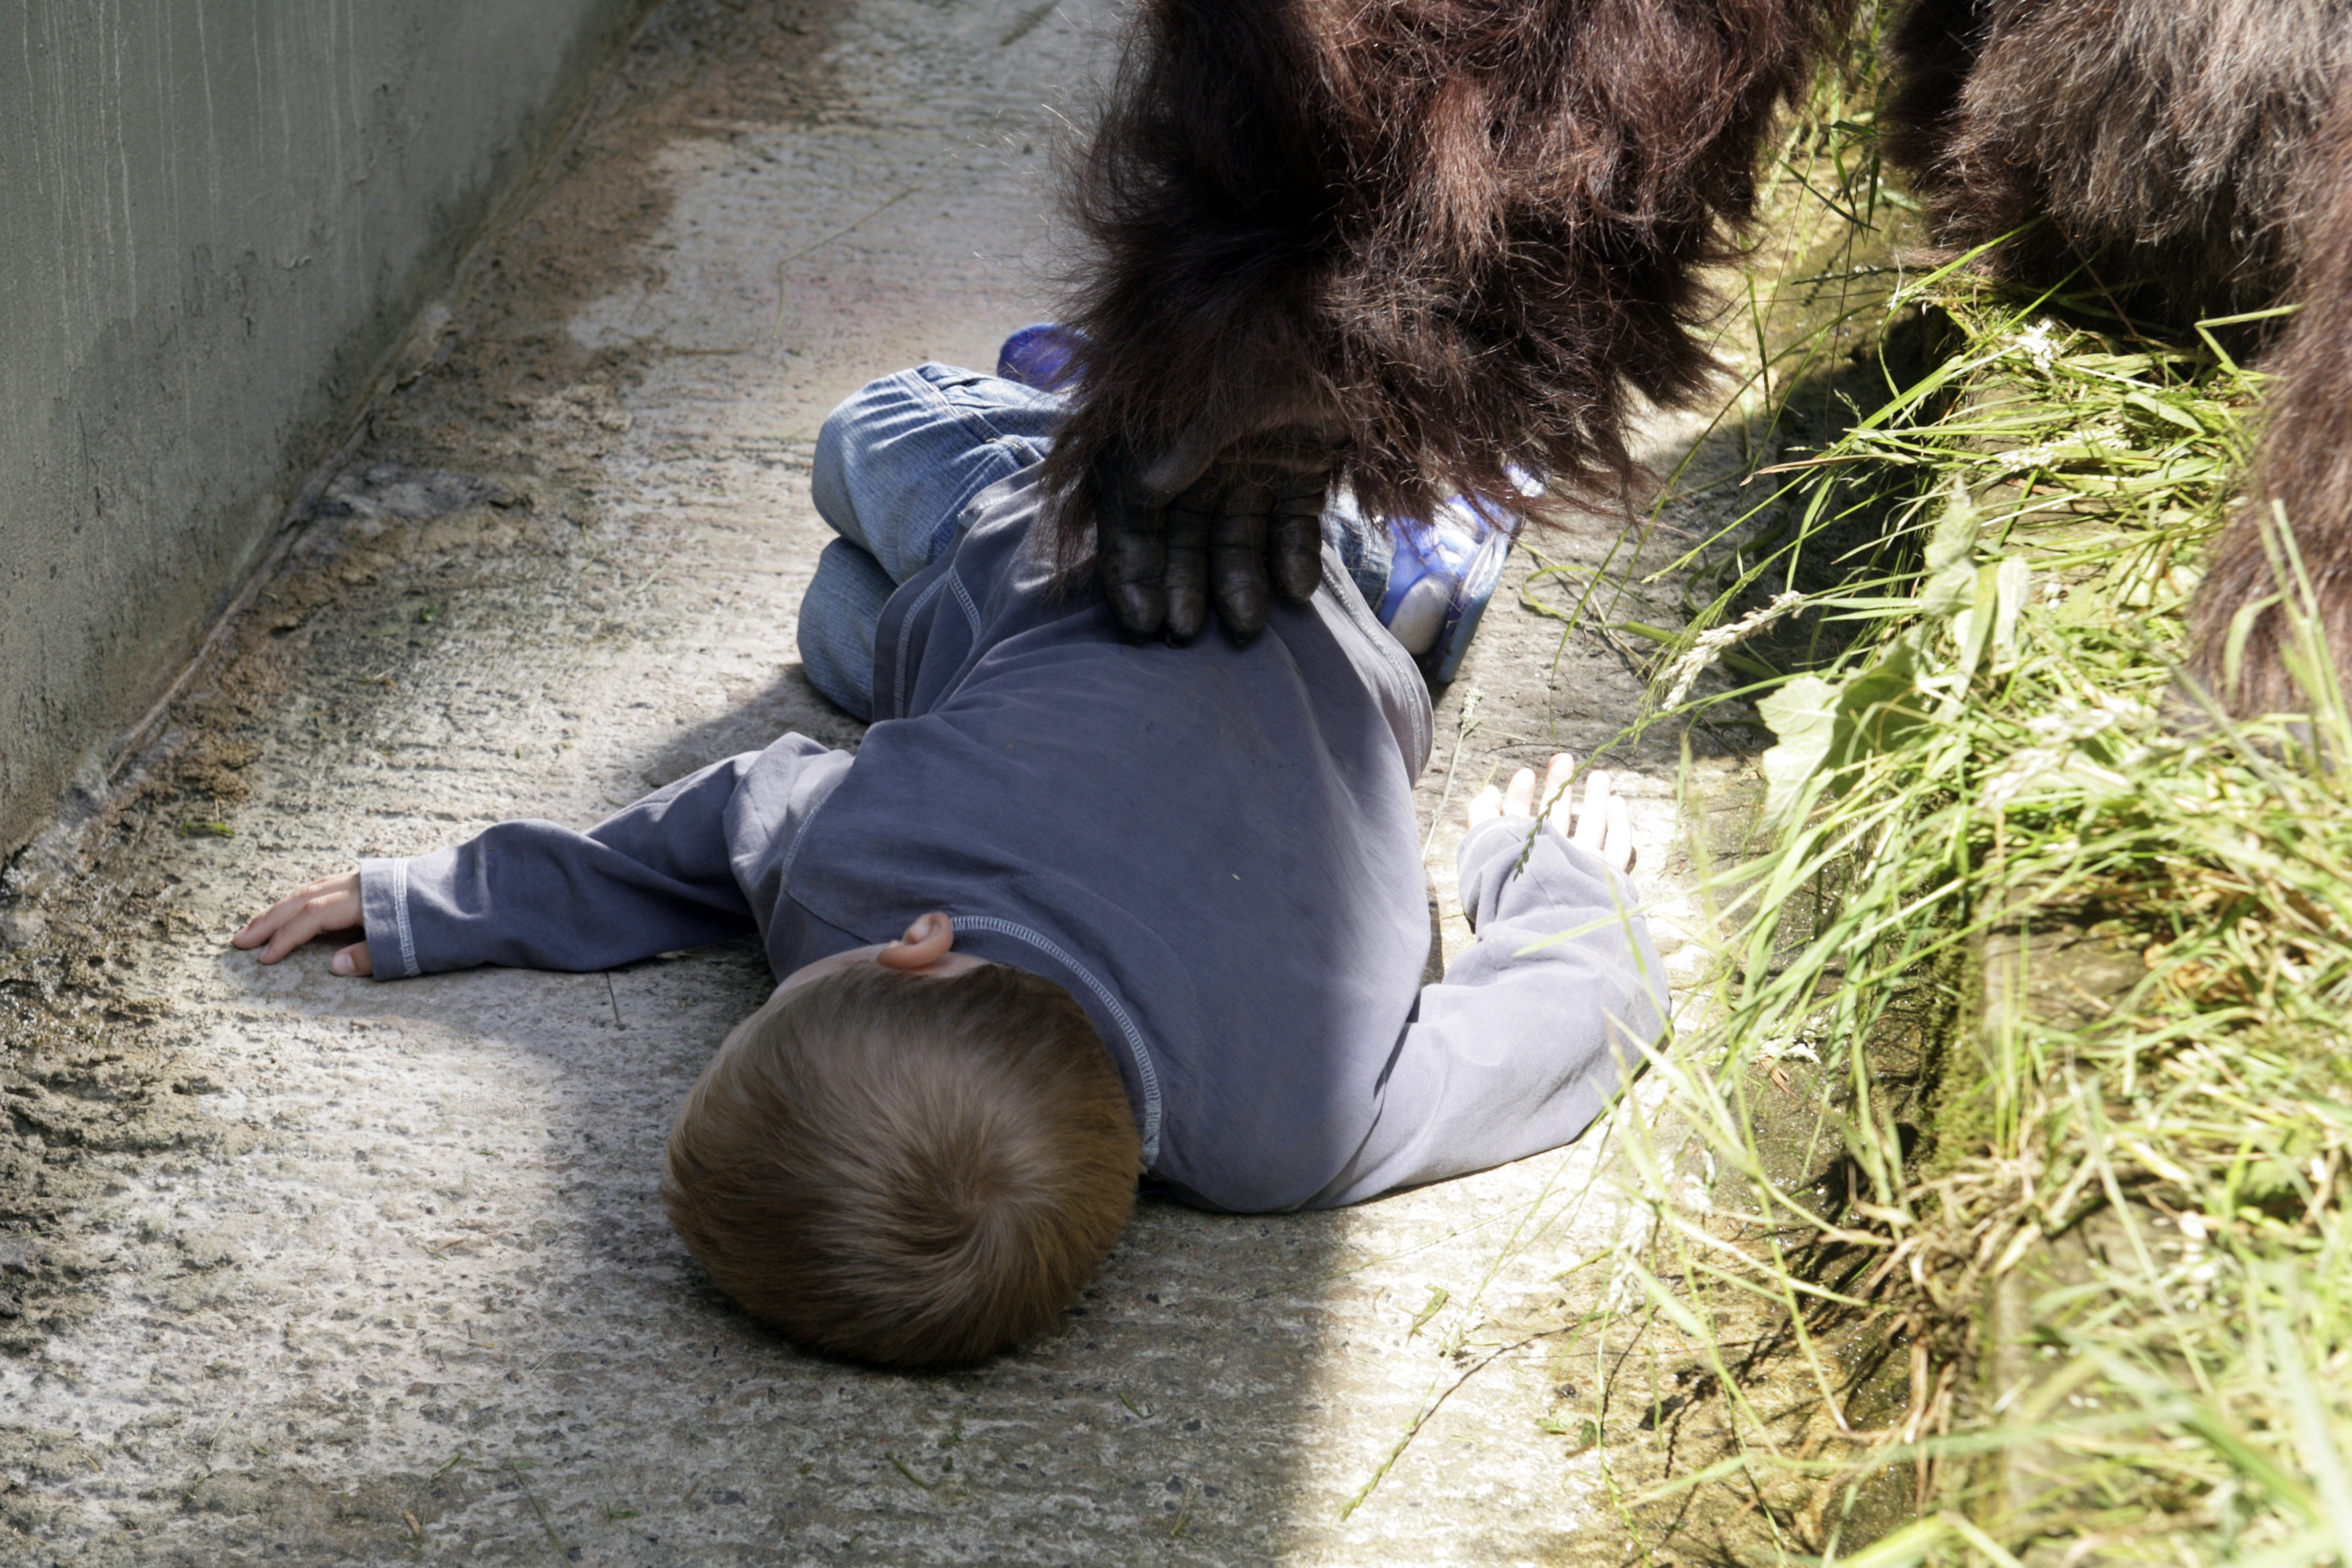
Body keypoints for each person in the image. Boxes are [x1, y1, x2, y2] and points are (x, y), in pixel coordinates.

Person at [232, 363, 1668, 1369]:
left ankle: (1390, 565)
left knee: (842, 626)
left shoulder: (1283, 1136)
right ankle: (1104, 393)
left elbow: (1553, 1028)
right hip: (1082, 518)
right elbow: (728, 814)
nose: (770, 963)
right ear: (913, 944)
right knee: (859, 442)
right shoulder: (868, 873)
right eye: (782, 992)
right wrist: (445, 901)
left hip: (1349, 684)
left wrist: (1538, 864)